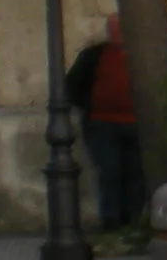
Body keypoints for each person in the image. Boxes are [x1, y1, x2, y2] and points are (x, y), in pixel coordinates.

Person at [65, 14, 145, 229]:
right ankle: (111, 221)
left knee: (134, 172)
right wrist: (89, 104)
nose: (117, 33)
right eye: (113, 28)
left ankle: (133, 220)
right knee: (109, 171)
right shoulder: (95, 55)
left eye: (120, 28)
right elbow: (73, 85)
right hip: (102, 124)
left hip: (135, 124)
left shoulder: (142, 54)